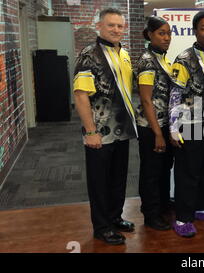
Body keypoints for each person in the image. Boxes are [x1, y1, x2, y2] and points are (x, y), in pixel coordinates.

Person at [73, 8, 137, 245]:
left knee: (118, 177)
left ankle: (115, 217)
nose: (116, 30)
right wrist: (90, 132)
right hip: (99, 131)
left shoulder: (125, 54)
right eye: (111, 25)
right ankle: (101, 227)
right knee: (99, 181)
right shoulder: (90, 55)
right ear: (99, 26)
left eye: (120, 26)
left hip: (121, 129)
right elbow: (80, 95)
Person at [168, 10, 204, 238]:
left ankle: (202, 207)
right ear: (195, 31)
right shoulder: (184, 59)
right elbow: (175, 94)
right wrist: (173, 127)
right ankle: (182, 217)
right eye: (203, 28)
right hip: (190, 124)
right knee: (187, 172)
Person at [135, 16, 174, 231]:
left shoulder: (162, 58)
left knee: (163, 168)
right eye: (161, 33)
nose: (166, 37)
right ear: (150, 34)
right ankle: (150, 213)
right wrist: (158, 133)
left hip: (165, 124)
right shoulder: (147, 61)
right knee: (151, 171)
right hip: (151, 127)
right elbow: (146, 99)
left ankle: (162, 206)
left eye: (168, 33)